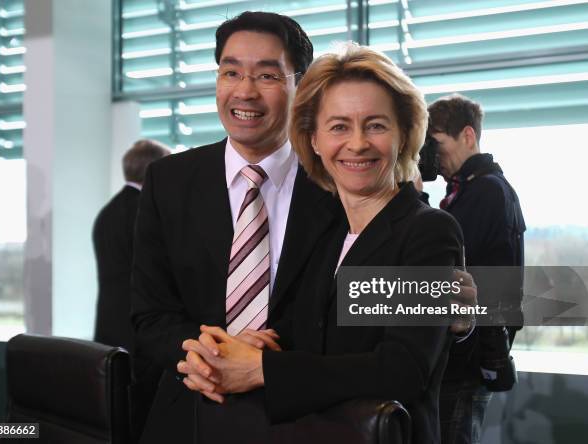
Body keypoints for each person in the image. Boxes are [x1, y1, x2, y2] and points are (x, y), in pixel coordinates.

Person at [179, 43, 464, 444]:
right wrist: (235, 350)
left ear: (404, 135)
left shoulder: (427, 232)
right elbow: (311, 342)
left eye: (377, 125)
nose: (358, 143)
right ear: (313, 140)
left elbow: (403, 369)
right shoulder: (329, 236)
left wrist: (262, 369)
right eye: (339, 126)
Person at [130, 12, 338, 444]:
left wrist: (263, 362)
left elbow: (372, 316)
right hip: (189, 414)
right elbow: (150, 316)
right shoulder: (168, 181)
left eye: (266, 75)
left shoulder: (338, 183)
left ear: (302, 86)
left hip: (308, 420)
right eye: (231, 72)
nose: (245, 91)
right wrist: (209, 354)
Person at [427, 94, 525, 444]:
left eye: (436, 143)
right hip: (465, 356)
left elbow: (443, 265)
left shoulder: (485, 192)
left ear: (468, 135)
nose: (432, 157)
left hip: (465, 361)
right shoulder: (478, 190)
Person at [93, 139, 170, 354]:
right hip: (139, 330)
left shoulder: (108, 210)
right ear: (154, 170)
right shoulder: (145, 211)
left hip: (109, 323)